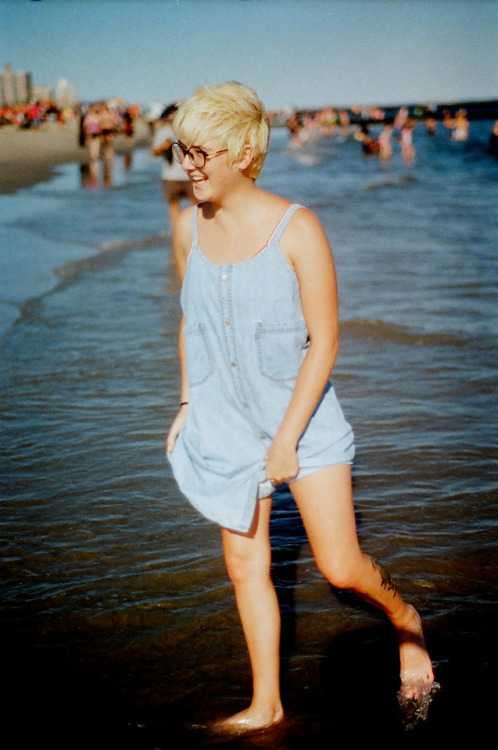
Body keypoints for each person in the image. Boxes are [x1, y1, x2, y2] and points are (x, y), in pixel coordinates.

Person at [166, 81, 435, 732]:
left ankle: (407, 623)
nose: (189, 166)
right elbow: (189, 323)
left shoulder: (298, 229)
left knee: (340, 568)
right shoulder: (187, 229)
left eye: (202, 153)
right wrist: (186, 400)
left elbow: (326, 341)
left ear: (243, 152)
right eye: (183, 151)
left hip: (304, 422)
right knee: (243, 566)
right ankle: (266, 705)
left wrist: (286, 437)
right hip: (225, 419)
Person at [152, 104, 195, 226]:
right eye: (171, 116)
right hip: (170, 175)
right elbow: (153, 152)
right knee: (174, 203)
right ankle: (175, 228)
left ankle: (196, 229)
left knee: (195, 202)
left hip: (188, 174)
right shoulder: (163, 132)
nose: (173, 118)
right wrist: (162, 147)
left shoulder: (188, 131)